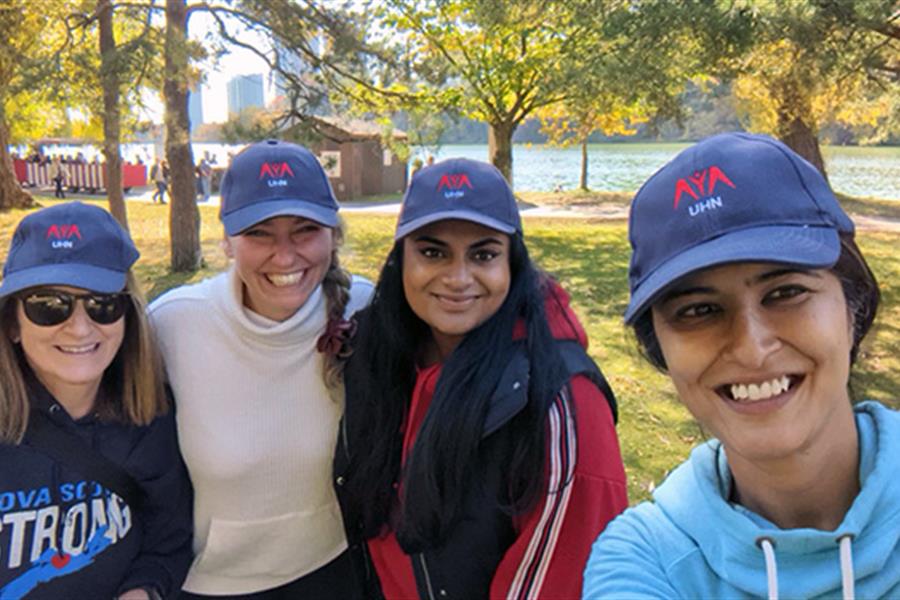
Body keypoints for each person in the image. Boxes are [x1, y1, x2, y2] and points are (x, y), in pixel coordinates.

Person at [583, 132, 899, 599]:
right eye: (699, 310)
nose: (752, 349)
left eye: (786, 293)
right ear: (660, 350)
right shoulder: (644, 559)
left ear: (853, 308)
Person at [335, 158, 627, 598]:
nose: (457, 278)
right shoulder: (379, 354)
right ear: (401, 260)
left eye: (484, 255)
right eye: (433, 252)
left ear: (513, 264)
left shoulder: (562, 403)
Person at [148, 140, 374, 598]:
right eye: (259, 233)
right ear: (228, 241)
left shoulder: (368, 309)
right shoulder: (173, 324)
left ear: (334, 234)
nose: (285, 256)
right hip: (212, 583)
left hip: (339, 570)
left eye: (305, 230)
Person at [0, 202, 193, 599]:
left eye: (102, 304)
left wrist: (143, 591)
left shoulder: (150, 417)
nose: (79, 328)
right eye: (48, 305)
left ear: (127, 316)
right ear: (12, 324)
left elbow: (167, 541)